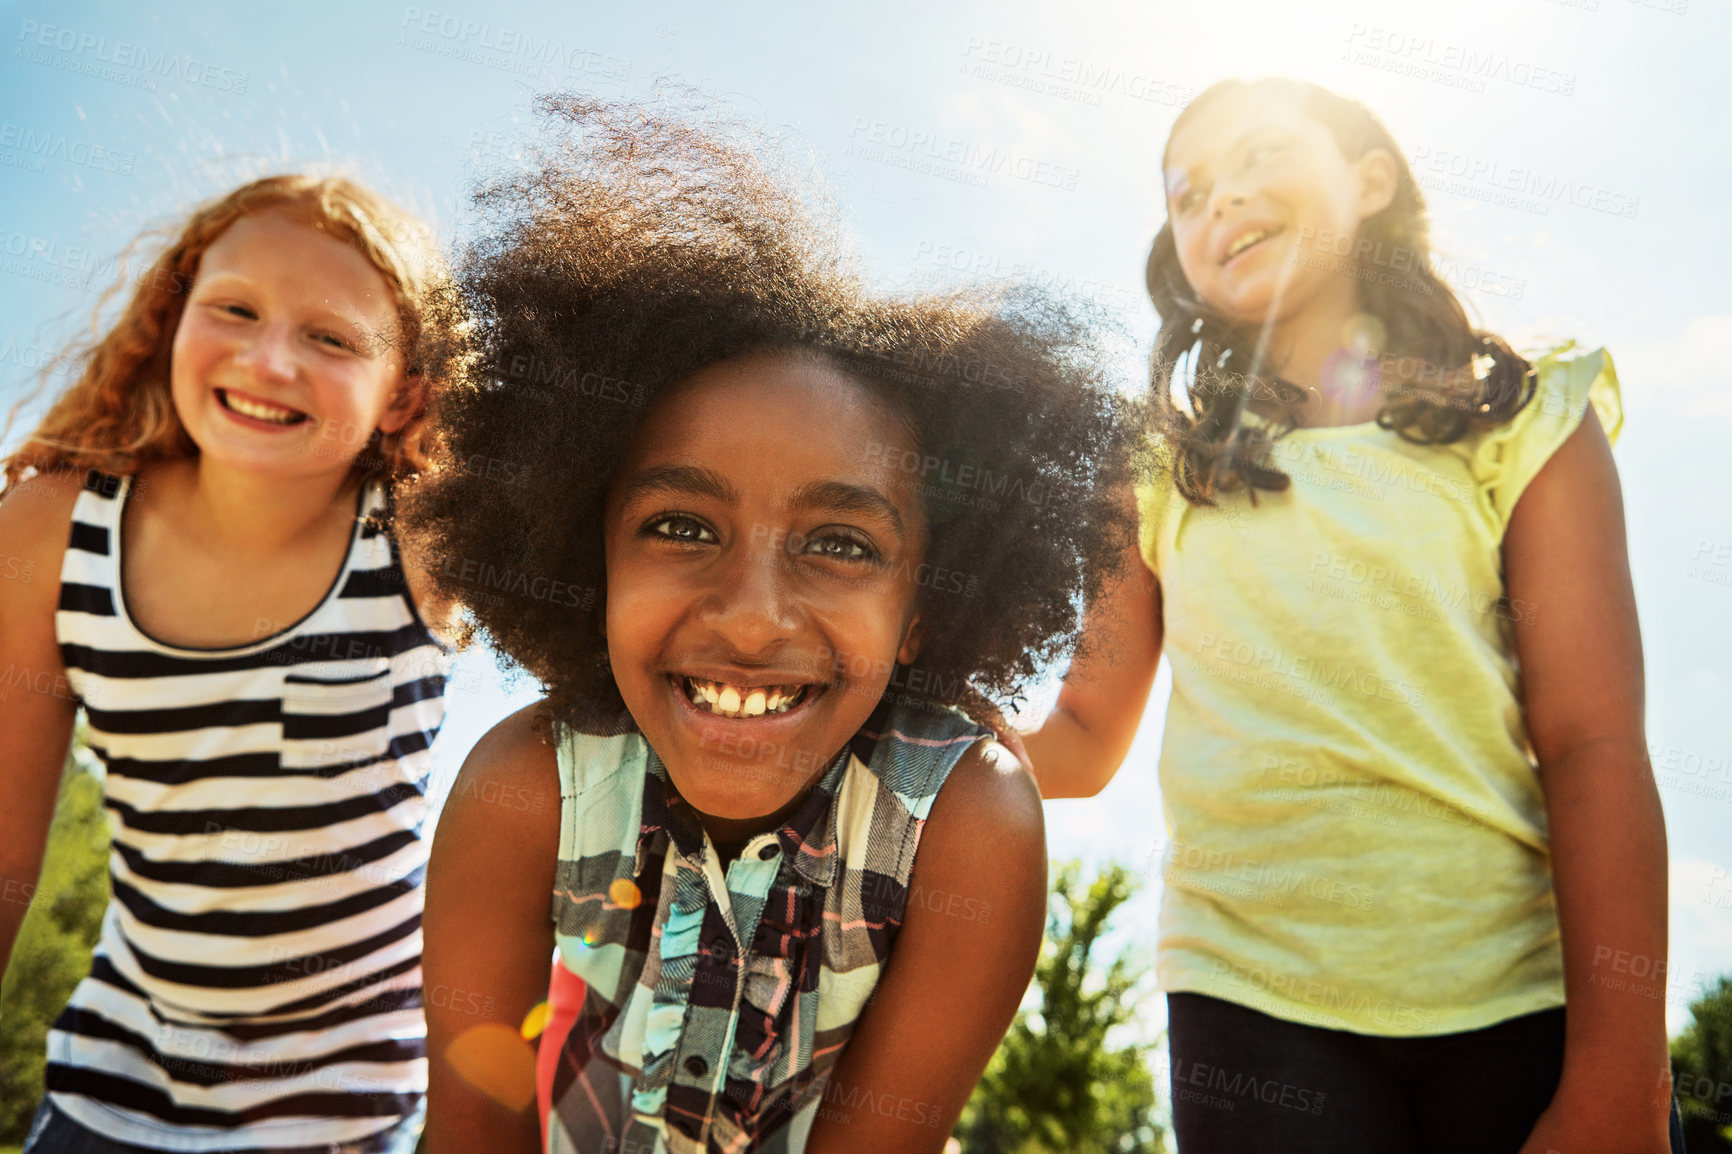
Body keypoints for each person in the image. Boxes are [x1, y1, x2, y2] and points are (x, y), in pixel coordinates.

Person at [404, 95, 1136, 1154]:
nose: (751, 617)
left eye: (839, 542)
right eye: (681, 524)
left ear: (925, 609)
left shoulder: (968, 822)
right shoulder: (524, 789)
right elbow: (472, 1131)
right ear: (581, 550)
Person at [1020, 77, 1683, 1153]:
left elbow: (1593, 739)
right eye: (1183, 194)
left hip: (1517, 997)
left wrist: (1622, 1081)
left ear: (1370, 179)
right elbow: (1082, 737)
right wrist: (886, 719)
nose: (1216, 201)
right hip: (1249, 1001)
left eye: (1255, 156)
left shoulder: (1524, 417)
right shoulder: (1151, 466)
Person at [0, 174, 464, 1152]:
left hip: (344, 1111)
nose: (267, 358)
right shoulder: (55, 530)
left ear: (403, 397)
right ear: (172, 322)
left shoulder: (418, 546)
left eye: (331, 337)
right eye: (234, 309)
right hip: (109, 1087)